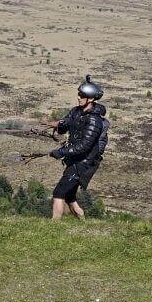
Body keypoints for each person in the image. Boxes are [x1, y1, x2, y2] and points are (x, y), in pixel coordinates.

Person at [43, 75, 109, 220]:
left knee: (59, 193)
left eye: (82, 95)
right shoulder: (76, 111)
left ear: (90, 99)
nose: (78, 97)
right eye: (79, 94)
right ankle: (84, 223)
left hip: (83, 164)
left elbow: (84, 147)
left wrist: (61, 152)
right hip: (74, 161)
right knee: (70, 197)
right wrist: (56, 124)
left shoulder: (94, 120)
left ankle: (54, 226)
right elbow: (66, 122)